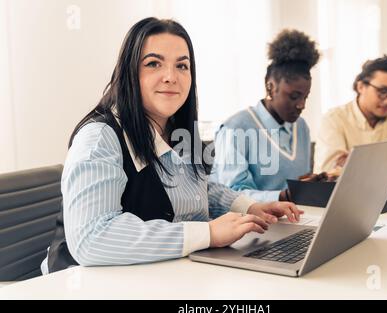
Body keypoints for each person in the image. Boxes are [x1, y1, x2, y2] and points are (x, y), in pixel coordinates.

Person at [42, 18, 302, 274]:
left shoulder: (173, 128)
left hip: (158, 278)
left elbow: (196, 188)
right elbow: (91, 238)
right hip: (82, 285)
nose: (171, 77)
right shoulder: (100, 138)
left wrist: (248, 206)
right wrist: (208, 233)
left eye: (182, 66)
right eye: (154, 64)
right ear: (129, 72)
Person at [209, 29, 321, 202]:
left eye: (305, 97)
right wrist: (284, 196)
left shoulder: (301, 127)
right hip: (250, 225)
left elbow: (299, 185)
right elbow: (232, 195)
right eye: (293, 96)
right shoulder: (235, 128)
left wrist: (314, 186)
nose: (301, 105)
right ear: (270, 87)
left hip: (294, 219)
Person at [315, 55, 387, 173]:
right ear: (361, 87)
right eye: (382, 92)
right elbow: (330, 172)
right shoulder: (333, 119)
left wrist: (355, 162)